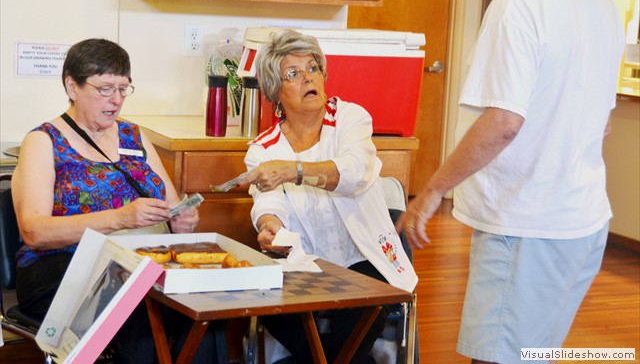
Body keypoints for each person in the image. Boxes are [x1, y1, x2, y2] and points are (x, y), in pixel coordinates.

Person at [398, 0, 626, 363]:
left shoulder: (518, 3)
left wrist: (433, 190)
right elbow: (602, 123)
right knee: (533, 355)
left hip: (526, 224)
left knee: (500, 358)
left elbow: (503, 122)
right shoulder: (601, 2)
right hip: (582, 222)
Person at [12, 38, 224, 363]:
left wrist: (181, 218)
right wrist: (119, 218)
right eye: (106, 88)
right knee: (139, 312)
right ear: (72, 86)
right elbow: (34, 232)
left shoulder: (133, 136)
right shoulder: (43, 141)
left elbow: (170, 200)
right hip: (60, 268)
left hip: (133, 265)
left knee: (203, 309)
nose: (116, 100)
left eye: (124, 89)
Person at [237, 29, 418, 363]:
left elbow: (353, 172)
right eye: (293, 73)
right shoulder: (263, 148)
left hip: (367, 259)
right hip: (305, 262)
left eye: (313, 68)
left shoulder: (350, 118)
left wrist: (293, 169)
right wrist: (269, 226)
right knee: (268, 307)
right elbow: (268, 201)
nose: (308, 77)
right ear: (275, 91)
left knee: (360, 312)